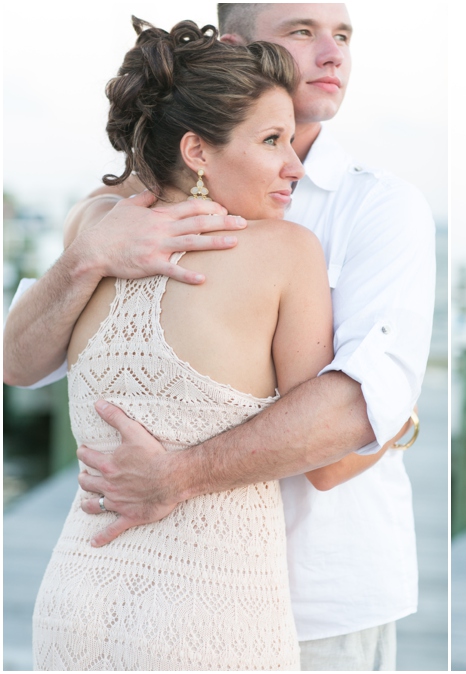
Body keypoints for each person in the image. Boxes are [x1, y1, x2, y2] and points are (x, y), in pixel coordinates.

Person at [4, 4, 435, 671]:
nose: (331, 54)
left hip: (150, 588)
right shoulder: (125, 224)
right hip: (222, 609)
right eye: (301, 31)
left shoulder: (381, 206)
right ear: (234, 47)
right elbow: (21, 362)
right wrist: (87, 256)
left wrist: (175, 475)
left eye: (343, 35)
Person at [32, 18, 336, 669]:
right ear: (198, 152)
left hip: (74, 597)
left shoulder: (94, 224)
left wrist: (84, 256)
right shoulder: (287, 252)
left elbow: (17, 362)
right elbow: (324, 446)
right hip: (209, 614)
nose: (294, 165)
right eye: (272, 140)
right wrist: (406, 421)